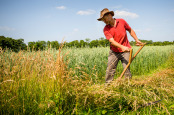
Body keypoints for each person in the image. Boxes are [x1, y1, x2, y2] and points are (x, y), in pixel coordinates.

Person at [97, 8, 143, 83]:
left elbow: (130, 30)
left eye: (104, 19)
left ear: (109, 15)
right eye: (102, 20)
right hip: (114, 52)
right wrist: (122, 47)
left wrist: (136, 40)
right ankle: (108, 86)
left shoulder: (121, 21)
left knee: (126, 68)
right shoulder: (106, 29)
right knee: (110, 69)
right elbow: (112, 41)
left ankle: (127, 84)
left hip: (126, 51)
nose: (104, 21)